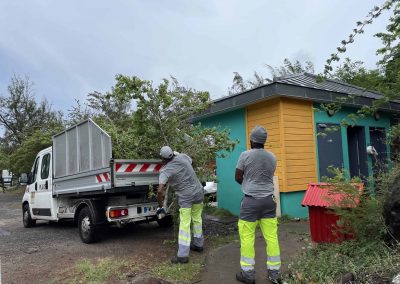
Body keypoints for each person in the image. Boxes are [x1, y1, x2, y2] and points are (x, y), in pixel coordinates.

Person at [235, 125, 281, 284]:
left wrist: (247, 182)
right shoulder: (272, 157)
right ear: (264, 141)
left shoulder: (245, 155)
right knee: (271, 237)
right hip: (269, 201)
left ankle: (248, 275)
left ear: (251, 140)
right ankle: (274, 274)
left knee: (247, 237)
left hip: (251, 202)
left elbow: (237, 177)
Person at [156, 146, 205, 264]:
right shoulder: (183, 157)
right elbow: (193, 161)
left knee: (185, 223)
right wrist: (180, 156)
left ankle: (183, 255)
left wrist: (161, 205)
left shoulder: (165, 170)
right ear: (172, 154)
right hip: (198, 192)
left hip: (186, 197)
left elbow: (159, 191)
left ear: (162, 158)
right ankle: (199, 244)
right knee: (197, 219)